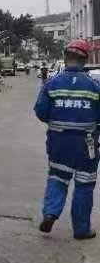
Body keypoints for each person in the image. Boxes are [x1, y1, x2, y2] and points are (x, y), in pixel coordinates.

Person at [35, 39, 100, 240]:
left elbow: (41, 111)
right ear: (85, 60)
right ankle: (81, 230)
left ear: (65, 58)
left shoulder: (51, 84)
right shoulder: (95, 86)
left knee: (57, 179)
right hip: (86, 145)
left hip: (59, 143)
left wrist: (58, 121)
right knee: (84, 185)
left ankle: (50, 213)